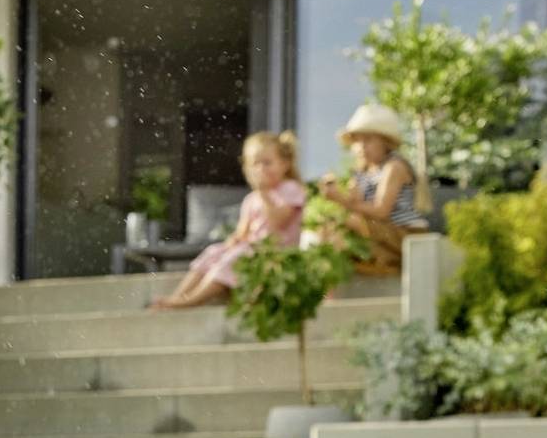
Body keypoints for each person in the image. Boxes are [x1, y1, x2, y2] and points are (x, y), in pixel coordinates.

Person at [152, 131, 308, 310]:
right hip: (252, 249)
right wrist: (232, 241)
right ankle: (177, 297)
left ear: (285, 164)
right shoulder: (251, 199)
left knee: (234, 259)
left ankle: (191, 301)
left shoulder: (290, 189)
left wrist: (264, 193)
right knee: (214, 252)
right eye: (255, 164)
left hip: (275, 252)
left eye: (267, 163)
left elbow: (277, 222)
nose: (261, 169)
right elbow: (243, 233)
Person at [318, 103, 426, 276]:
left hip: (403, 233)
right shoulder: (363, 171)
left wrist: (341, 200)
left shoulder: (394, 167)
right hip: (379, 233)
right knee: (331, 226)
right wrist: (339, 191)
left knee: (350, 225)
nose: (361, 146)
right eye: (357, 141)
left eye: (368, 140)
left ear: (386, 142)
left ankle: (381, 264)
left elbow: (381, 210)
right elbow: (356, 205)